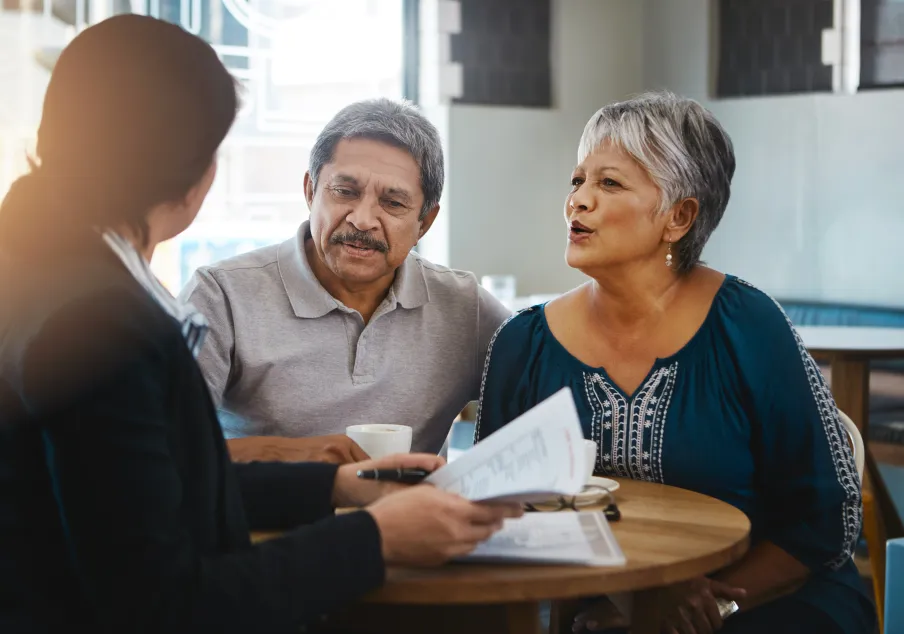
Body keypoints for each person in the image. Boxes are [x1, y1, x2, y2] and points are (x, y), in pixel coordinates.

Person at [0, 16, 518, 634]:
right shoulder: (101, 323)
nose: (363, 218)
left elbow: (148, 496)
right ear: (188, 171)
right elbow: (164, 604)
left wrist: (338, 486)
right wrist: (374, 538)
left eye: (393, 202)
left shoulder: (46, 276)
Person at [475, 92, 875, 634]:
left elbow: (824, 516)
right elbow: (491, 514)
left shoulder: (747, 325)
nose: (578, 201)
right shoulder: (522, 344)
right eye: (577, 181)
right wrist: (616, 607)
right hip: (587, 601)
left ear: (679, 217)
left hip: (764, 599)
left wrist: (710, 606)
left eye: (608, 183)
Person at [179, 98, 511, 464]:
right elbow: (165, 451)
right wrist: (291, 455)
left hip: (408, 521)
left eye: (394, 203)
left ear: (425, 223)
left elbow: (558, 384)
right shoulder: (220, 295)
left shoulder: (465, 307)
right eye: (345, 192)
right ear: (310, 191)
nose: (363, 219)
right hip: (265, 520)